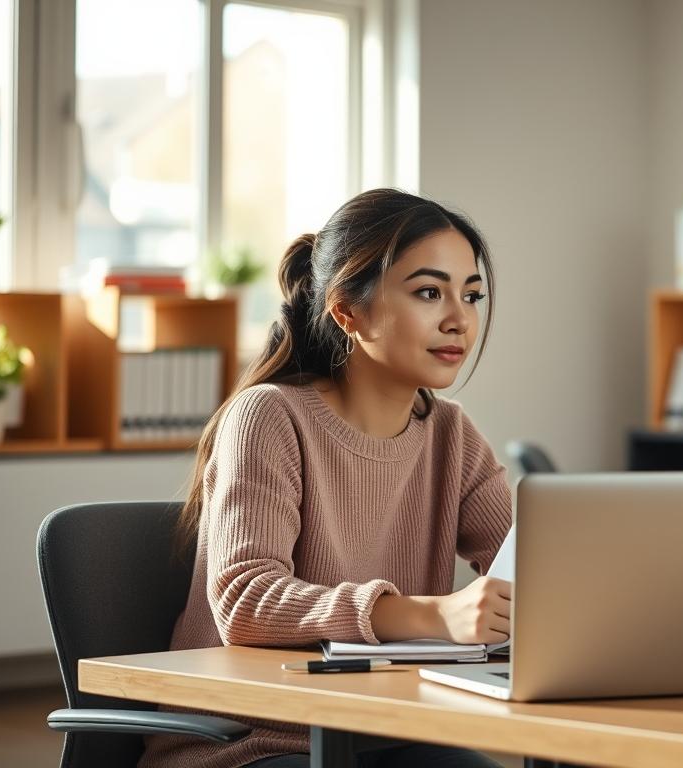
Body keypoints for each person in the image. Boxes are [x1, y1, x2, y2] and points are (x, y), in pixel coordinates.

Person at [142, 189, 512, 768]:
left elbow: (532, 563)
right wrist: (431, 616)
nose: (459, 319)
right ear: (347, 309)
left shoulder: (451, 435)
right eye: (429, 292)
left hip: (384, 730)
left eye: (471, 295)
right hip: (247, 744)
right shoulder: (268, 416)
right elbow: (245, 599)